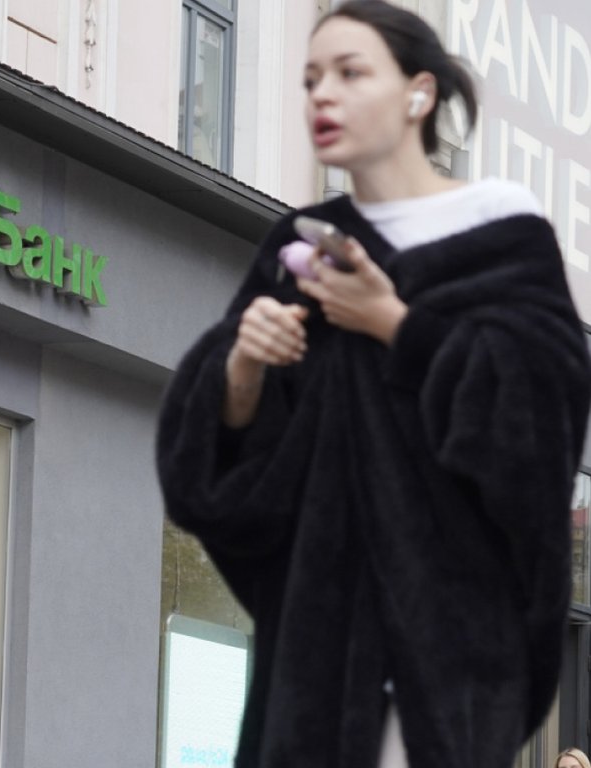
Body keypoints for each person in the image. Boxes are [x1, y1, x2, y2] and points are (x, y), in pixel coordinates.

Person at [156, 2, 591, 767]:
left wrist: (393, 321)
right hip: (315, 669)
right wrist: (243, 365)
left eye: (351, 73)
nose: (323, 94)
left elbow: (535, 433)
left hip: (448, 661)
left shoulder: (505, 237)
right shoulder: (297, 248)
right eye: (310, 79)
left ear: (419, 92)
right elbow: (223, 488)